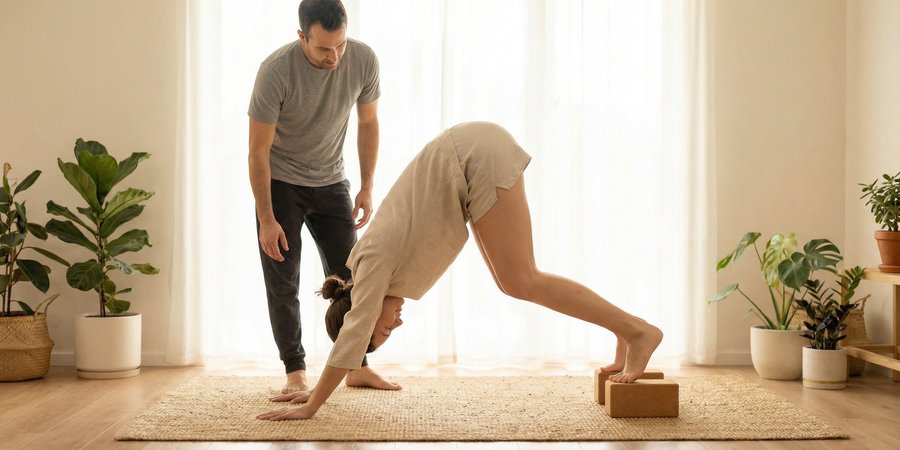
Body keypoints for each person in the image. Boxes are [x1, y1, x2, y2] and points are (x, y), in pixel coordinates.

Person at [257, 122, 663, 421]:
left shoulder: (371, 266)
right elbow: (358, 327)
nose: (394, 327)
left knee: (523, 278)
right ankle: (625, 331)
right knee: (514, 283)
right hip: (468, 161)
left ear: (362, 304)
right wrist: (354, 375)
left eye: (382, 331)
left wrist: (313, 405)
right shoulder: (373, 270)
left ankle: (637, 331)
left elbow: (355, 329)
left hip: (473, 155)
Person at [248, 0, 397, 394]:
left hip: (332, 181)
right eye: (323, 48)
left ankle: (356, 367)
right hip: (281, 184)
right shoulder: (275, 71)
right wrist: (266, 217)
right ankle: (295, 373)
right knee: (283, 281)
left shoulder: (363, 59)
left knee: (353, 279)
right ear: (302, 37)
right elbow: (257, 151)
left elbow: (368, 123)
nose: (334, 57)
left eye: (340, 45)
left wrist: (366, 186)